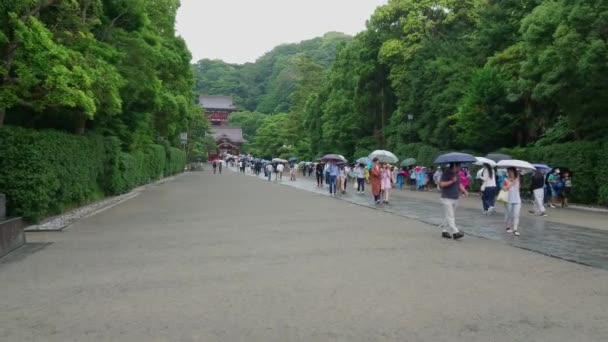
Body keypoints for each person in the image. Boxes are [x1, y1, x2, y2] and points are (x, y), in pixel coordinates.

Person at [439, 162, 468, 240]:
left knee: (448, 215)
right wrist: (452, 181)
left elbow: (459, 184)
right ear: (455, 165)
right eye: (459, 166)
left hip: (455, 197)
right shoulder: (447, 173)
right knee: (451, 215)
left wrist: (464, 191)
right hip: (446, 197)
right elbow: (441, 184)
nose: (460, 168)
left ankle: (444, 231)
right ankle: (455, 232)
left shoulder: (457, 173)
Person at [502, 167, 522, 236]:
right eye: (508, 171)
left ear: (514, 172)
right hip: (508, 200)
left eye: (511, 171)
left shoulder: (517, 179)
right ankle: (508, 227)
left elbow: (519, 188)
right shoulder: (505, 179)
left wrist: (517, 177)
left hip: (517, 199)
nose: (509, 173)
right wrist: (510, 183)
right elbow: (504, 189)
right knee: (509, 214)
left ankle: (515, 230)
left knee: (516, 215)